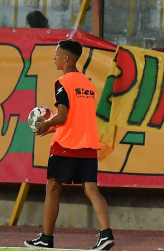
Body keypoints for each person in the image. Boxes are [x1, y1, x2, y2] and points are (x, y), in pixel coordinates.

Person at [26, 38, 115, 250]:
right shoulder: (87, 84)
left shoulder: (62, 83)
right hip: (88, 144)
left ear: (66, 58)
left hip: (66, 145)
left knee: (52, 189)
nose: (54, 58)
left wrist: (45, 125)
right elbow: (77, 117)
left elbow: (63, 116)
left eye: (57, 54)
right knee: (92, 190)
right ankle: (106, 234)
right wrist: (52, 125)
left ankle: (46, 239)